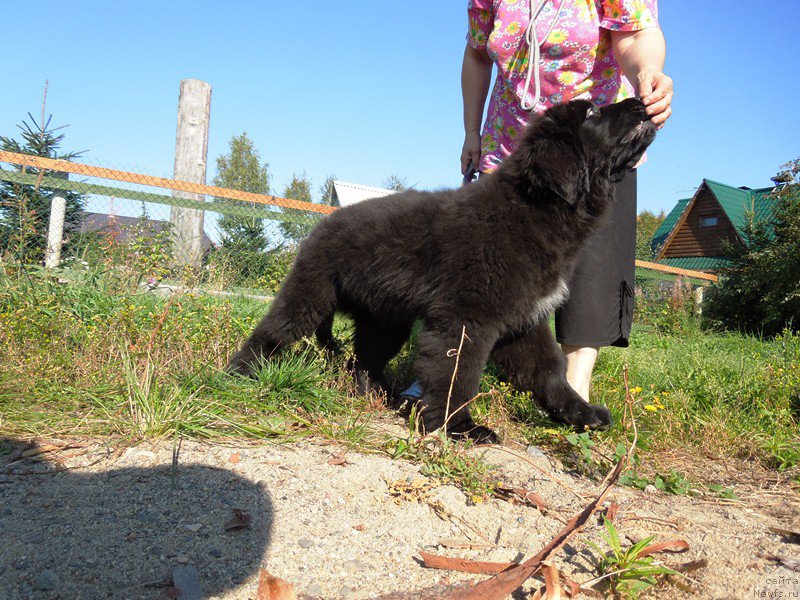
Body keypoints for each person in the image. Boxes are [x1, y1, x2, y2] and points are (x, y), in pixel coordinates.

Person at [402, 0, 673, 412]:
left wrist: (646, 73)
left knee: (590, 268)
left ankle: (572, 389)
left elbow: (635, 34)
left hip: (590, 145)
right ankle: (448, 379)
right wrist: (471, 131)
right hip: (514, 148)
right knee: (486, 281)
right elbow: (477, 53)